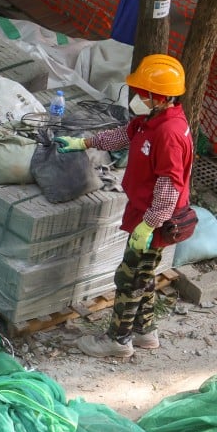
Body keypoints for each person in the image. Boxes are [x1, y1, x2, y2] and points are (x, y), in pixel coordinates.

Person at [56, 53, 194, 358]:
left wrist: (149, 225)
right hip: (144, 211)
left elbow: (169, 186)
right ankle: (145, 332)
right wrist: (85, 143)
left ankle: (117, 341)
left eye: (142, 93)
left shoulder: (169, 134)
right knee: (143, 276)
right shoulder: (152, 119)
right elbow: (123, 135)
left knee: (129, 278)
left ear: (158, 96)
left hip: (155, 220)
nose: (137, 96)